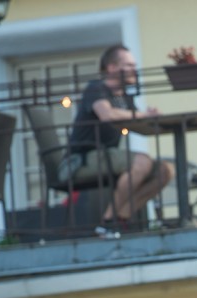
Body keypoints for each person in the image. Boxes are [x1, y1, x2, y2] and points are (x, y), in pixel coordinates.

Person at [65, 44, 174, 231]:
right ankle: (108, 221)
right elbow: (107, 114)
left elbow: (135, 121)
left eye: (134, 65)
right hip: (82, 158)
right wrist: (143, 115)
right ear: (112, 68)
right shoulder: (96, 88)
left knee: (165, 170)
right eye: (129, 65)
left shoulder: (124, 97)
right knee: (142, 162)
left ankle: (122, 217)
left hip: (107, 155)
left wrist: (151, 117)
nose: (134, 70)